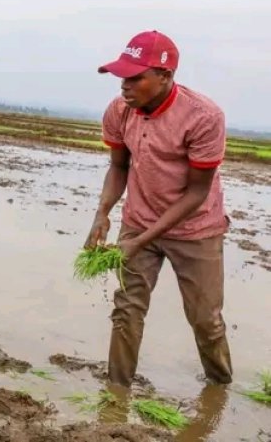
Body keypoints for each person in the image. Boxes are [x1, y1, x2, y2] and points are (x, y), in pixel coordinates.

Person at [86, 30, 232, 387]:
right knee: (127, 310)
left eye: (135, 77)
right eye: (122, 77)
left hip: (196, 229)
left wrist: (140, 240)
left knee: (205, 318)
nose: (125, 86)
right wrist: (102, 212)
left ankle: (220, 388)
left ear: (165, 76)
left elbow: (197, 193)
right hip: (139, 221)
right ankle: (116, 394)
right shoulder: (120, 111)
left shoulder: (203, 117)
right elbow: (119, 167)